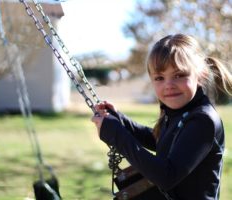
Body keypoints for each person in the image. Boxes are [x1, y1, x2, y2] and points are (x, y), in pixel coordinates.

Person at [91, 34, 232, 200]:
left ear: (201, 76)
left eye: (179, 75)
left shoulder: (203, 120)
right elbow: (161, 140)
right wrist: (122, 121)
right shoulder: (180, 111)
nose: (169, 85)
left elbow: (167, 176)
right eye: (159, 78)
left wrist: (117, 135)